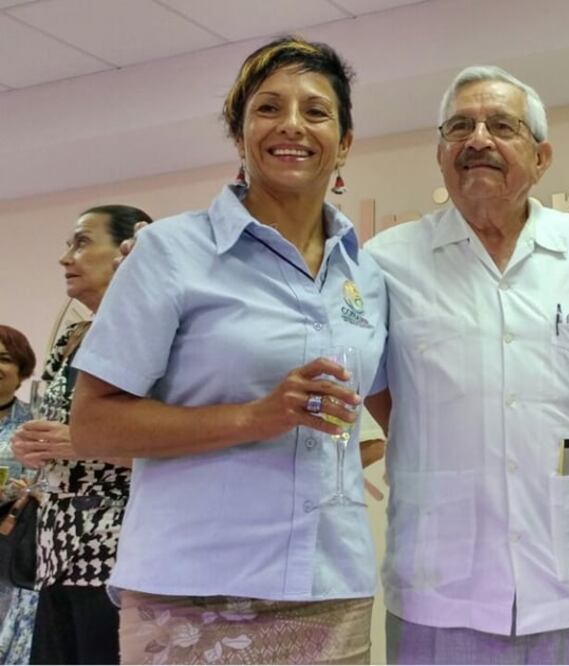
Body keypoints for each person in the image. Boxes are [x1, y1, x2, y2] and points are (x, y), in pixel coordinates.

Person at [68, 37, 387, 665]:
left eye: (316, 111)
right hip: (192, 593)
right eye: (268, 108)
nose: (291, 124)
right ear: (240, 137)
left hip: (330, 589)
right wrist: (254, 417)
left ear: (345, 143)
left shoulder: (367, 275)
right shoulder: (170, 252)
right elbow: (93, 423)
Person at [364, 65, 569, 664]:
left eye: (501, 126)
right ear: (440, 153)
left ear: (541, 157)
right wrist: (454, 439)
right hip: (442, 591)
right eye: (459, 127)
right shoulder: (387, 262)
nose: (478, 140)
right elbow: (383, 398)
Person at [9, 205, 149, 664]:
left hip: (119, 551)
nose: (66, 257)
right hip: (56, 550)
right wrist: (33, 447)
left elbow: (181, 448)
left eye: (83, 242)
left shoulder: (157, 333)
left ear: (127, 250)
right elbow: (57, 435)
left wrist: (84, 442)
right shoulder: (73, 337)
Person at [0, 324, 37, 665]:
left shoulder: (34, 423)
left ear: (21, 370)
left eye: (4, 359)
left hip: (12, 543)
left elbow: (44, 483)